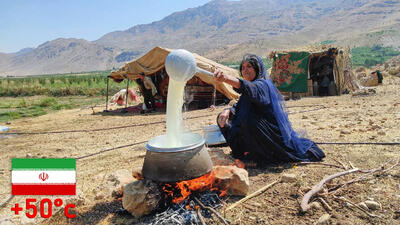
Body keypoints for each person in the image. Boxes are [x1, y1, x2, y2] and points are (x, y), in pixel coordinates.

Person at [213, 54, 325, 165]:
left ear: (257, 69)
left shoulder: (262, 85)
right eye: (243, 68)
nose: (245, 70)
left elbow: (249, 88)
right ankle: (242, 151)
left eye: (249, 67)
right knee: (222, 118)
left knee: (248, 119)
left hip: (269, 134)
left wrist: (226, 78)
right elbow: (240, 105)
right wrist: (226, 111)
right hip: (254, 131)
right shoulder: (248, 90)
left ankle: (260, 155)